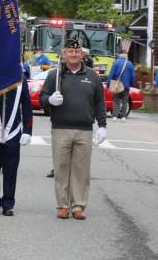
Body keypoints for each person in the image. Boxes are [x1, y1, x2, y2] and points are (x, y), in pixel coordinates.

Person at [40, 38, 107, 220]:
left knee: (81, 170)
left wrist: (102, 125)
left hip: (84, 129)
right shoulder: (55, 75)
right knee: (61, 168)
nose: (74, 54)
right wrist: (50, 101)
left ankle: (78, 205)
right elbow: (42, 97)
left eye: (77, 52)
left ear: (82, 54)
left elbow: (100, 102)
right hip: (61, 128)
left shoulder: (92, 76)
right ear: (64, 54)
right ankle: (63, 205)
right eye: (70, 51)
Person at [0, 79, 33, 216]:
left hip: (13, 130)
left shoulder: (20, 80)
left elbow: (26, 105)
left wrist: (27, 130)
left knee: (11, 169)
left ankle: (8, 203)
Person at [106, 51, 135, 122]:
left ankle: (115, 116)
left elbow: (111, 74)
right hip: (126, 86)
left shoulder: (116, 63)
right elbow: (133, 76)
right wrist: (131, 84)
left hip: (117, 85)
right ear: (126, 56)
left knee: (116, 101)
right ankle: (123, 117)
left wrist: (108, 83)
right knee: (125, 101)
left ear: (120, 55)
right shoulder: (130, 64)